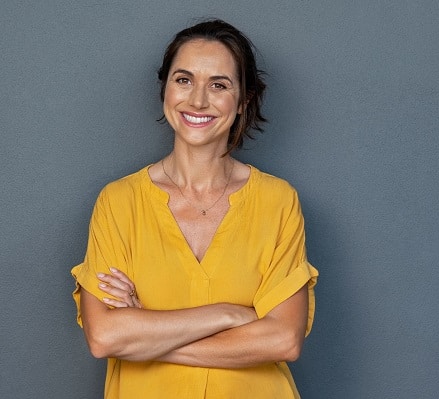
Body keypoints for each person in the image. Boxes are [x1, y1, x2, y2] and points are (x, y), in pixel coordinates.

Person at [71, 18, 318, 399]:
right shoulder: (118, 202)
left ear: (243, 101)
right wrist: (230, 314)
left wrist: (147, 333)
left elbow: (284, 340)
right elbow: (104, 337)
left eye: (219, 84)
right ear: (165, 90)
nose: (198, 100)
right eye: (183, 80)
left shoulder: (278, 201)